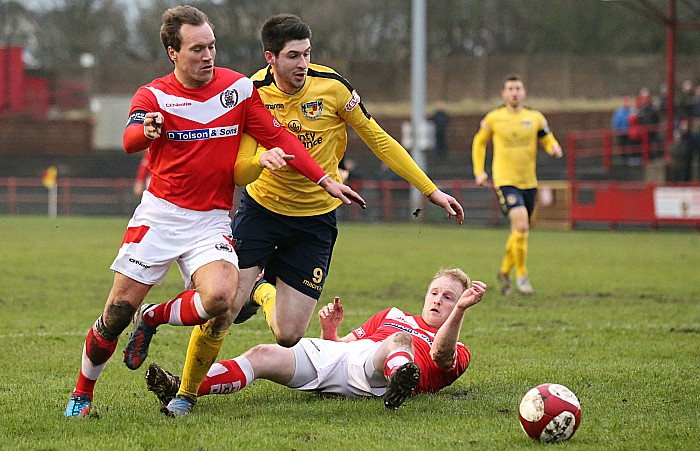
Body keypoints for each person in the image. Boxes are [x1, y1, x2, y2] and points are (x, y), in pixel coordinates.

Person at [65, 5, 364, 418]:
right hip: (161, 215)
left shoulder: (237, 89)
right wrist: (147, 129)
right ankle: (82, 394)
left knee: (222, 300)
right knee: (116, 314)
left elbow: (280, 137)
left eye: (212, 46)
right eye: (197, 49)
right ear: (173, 52)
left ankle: (154, 321)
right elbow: (130, 138)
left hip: (211, 220)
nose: (208, 56)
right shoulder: (153, 95)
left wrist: (324, 179)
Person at [160, 13, 465, 417]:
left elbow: (379, 139)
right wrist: (259, 162)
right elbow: (237, 165)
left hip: (315, 222)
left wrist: (431, 190)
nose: (302, 63)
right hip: (261, 212)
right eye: (292, 56)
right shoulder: (248, 92)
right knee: (223, 312)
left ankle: (261, 291)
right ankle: (185, 394)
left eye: (307, 53)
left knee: (289, 335)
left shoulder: (334, 88)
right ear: (271, 58)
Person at [145, 268, 487, 411]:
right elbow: (346, 346)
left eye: (449, 297)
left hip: (376, 377)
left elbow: (441, 357)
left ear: (460, 303)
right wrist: (330, 332)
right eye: (435, 292)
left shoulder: (459, 350)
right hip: (348, 360)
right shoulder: (392, 313)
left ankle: (401, 378)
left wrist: (461, 310)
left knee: (399, 343)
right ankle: (183, 387)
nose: (438, 300)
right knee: (262, 354)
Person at [471, 74, 562, 296]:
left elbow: (546, 137)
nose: (514, 92)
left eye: (518, 88)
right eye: (510, 88)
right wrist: (479, 171)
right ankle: (521, 276)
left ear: (524, 92)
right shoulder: (494, 118)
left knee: (519, 231)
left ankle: (504, 271)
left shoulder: (535, 117)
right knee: (521, 227)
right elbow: (479, 142)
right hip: (505, 180)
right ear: (503, 93)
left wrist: (554, 147)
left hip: (529, 182)